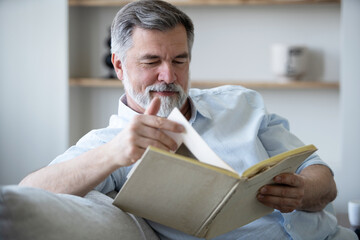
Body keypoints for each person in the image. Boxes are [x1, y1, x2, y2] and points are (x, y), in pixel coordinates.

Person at [20, 0, 356, 239]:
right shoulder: (111, 142)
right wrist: (113, 154)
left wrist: (303, 190)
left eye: (180, 60)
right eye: (151, 61)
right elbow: (26, 197)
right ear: (119, 66)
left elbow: (319, 174)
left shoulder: (240, 102)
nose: (168, 75)